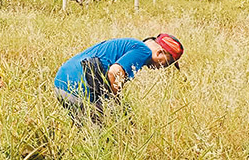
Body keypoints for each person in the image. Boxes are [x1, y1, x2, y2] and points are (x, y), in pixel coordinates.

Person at [54, 33, 183, 124]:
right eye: (167, 63)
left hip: (62, 84)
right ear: (160, 53)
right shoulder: (143, 51)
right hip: (78, 88)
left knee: (85, 130)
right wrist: (115, 103)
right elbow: (115, 72)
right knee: (102, 137)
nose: (163, 68)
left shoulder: (130, 45)